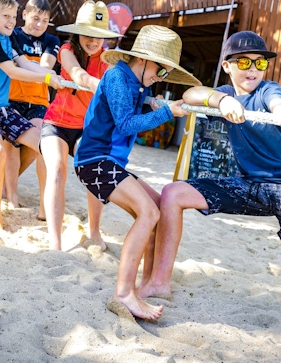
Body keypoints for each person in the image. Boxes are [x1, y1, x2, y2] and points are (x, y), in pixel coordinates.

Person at [137, 31, 281, 362]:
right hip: (251, 184)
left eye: (260, 62)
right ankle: (160, 282)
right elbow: (193, 92)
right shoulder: (224, 94)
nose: (253, 69)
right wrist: (222, 101)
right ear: (226, 66)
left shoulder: (267, 90)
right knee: (173, 192)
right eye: (244, 62)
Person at [74, 25, 199, 320]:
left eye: (166, 73)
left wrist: (149, 100)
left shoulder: (138, 81)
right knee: (150, 213)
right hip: (94, 161)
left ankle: (146, 285)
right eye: (161, 69)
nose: (161, 76)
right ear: (142, 59)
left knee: (158, 207)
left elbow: (131, 101)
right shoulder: (117, 75)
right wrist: (168, 111)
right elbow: (126, 124)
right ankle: (123, 293)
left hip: (111, 162)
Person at [0, 0, 63, 229]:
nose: (11, 21)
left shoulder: (10, 39)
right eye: (5, 16)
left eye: (13, 16)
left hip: (2, 108)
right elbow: (13, 71)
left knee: (45, 145)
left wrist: (53, 74)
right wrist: (47, 80)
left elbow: (27, 63)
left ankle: (48, 205)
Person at [41, 0, 122, 251]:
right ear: (77, 32)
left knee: (94, 173)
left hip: (88, 127)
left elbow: (123, 85)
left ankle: (94, 232)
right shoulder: (66, 49)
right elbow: (77, 74)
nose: (93, 40)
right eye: (87, 33)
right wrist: (98, 85)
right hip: (56, 122)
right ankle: (55, 242)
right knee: (56, 170)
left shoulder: (110, 58)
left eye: (98, 35)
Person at [3, 0, 60, 216]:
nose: (39, 25)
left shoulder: (51, 40)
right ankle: (12, 198)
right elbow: (26, 67)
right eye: (36, 18)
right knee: (11, 148)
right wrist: (39, 70)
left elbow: (45, 66)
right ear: (24, 14)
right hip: (11, 98)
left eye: (45, 21)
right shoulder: (13, 33)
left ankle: (43, 206)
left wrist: (39, 70)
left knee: (40, 146)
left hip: (38, 101)